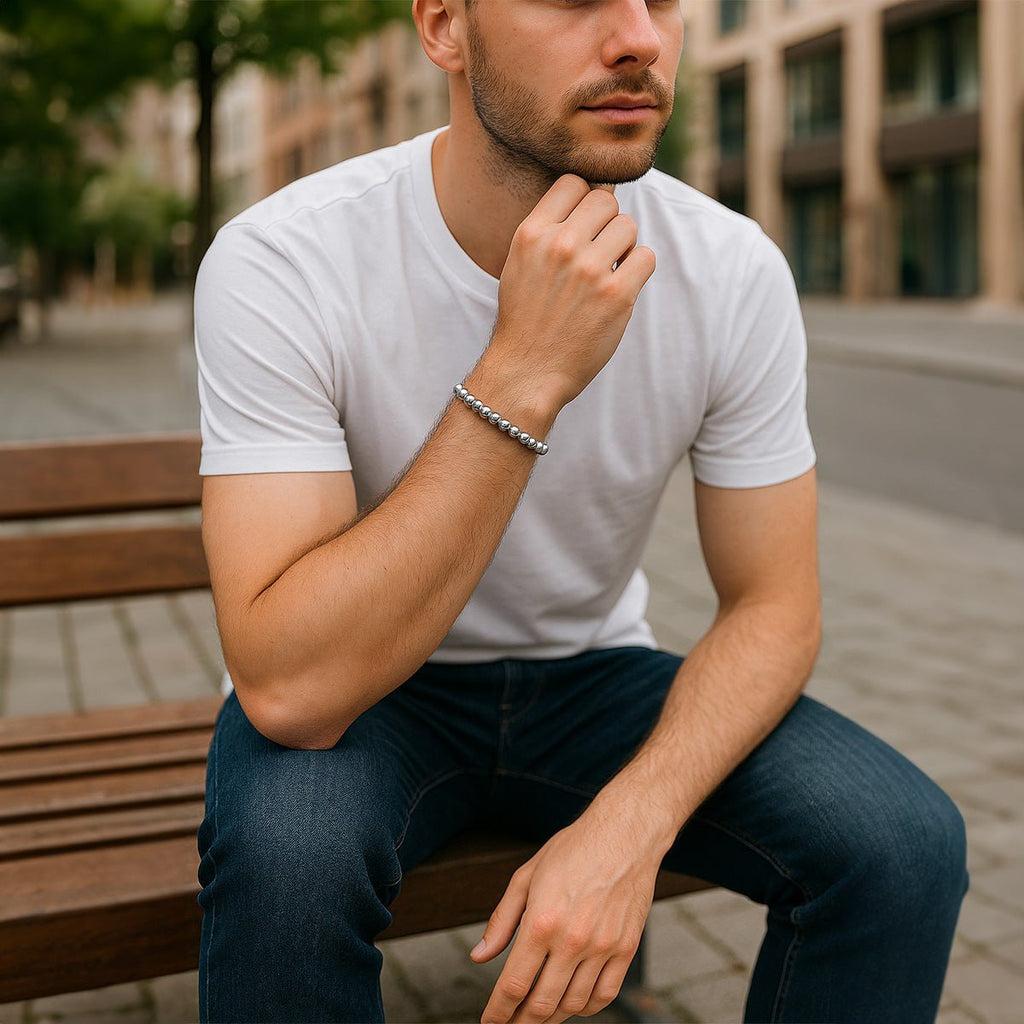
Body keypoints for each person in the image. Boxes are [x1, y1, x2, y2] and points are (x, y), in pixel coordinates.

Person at [193, 2, 968, 1021]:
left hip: (594, 680)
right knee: (285, 862)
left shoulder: (729, 270)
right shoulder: (286, 259)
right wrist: (523, 373)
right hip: (373, 688)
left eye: (659, 2)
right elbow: (292, 687)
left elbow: (774, 606)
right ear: (443, 28)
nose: (638, 38)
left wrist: (629, 827)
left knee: (901, 844)